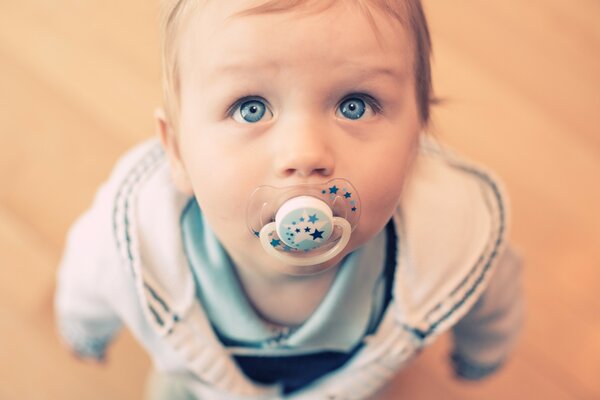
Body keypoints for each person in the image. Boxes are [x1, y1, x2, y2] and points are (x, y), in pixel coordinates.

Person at [55, 1, 523, 399]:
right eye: (250, 108)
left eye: (354, 104)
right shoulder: (134, 244)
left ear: (416, 137)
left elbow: (490, 290)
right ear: (176, 150)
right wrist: (85, 330)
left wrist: (482, 350)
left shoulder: (453, 238)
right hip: (195, 379)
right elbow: (89, 277)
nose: (305, 155)